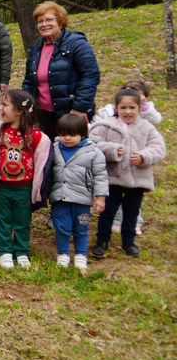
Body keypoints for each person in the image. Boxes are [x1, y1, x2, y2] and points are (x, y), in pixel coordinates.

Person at [90, 88, 166, 259]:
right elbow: (93, 143)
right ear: (116, 108)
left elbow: (159, 148)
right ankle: (102, 240)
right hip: (112, 178)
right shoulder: (107, 125)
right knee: (108, 210)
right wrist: (112, 150)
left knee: (132, 210)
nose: (128, 111)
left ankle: (128, 241)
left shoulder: (146, 127)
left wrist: (144, 156)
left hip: (137, 179)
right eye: (123, 107)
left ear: (139, 108)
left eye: (132, 107)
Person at [0, 90, 51, 269]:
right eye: (0, 104)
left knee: (22, 221)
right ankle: (5, 251)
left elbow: (43, 164)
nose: (0, 108)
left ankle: (21, 251)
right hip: (3, 186)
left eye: (5, 105)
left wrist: (41, 189)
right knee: (3, 220)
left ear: (19, 110)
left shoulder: (35, 136)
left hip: (24, 188)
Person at [22, 1, 100, 141]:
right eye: (40, 21)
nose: (44, 24)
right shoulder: (35, 49)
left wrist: (80, 108)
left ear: (60, 22)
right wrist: (26, 106)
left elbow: (90, 76)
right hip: (43, 115)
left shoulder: (77, 43)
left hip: (71, 113)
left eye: (49, 19)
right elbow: (28, 81)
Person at [49, 114, 108, 273]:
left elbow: (101, 175)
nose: (67, 138)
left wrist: (100, 197)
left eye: (72, 135)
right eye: (63, 134)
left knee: (81, 227)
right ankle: (63, 254)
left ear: (82, 134)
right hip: (60, 198)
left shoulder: (93, 152)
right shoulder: (54, 149)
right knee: (62, 226)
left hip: (82, 199)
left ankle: (81, 254)